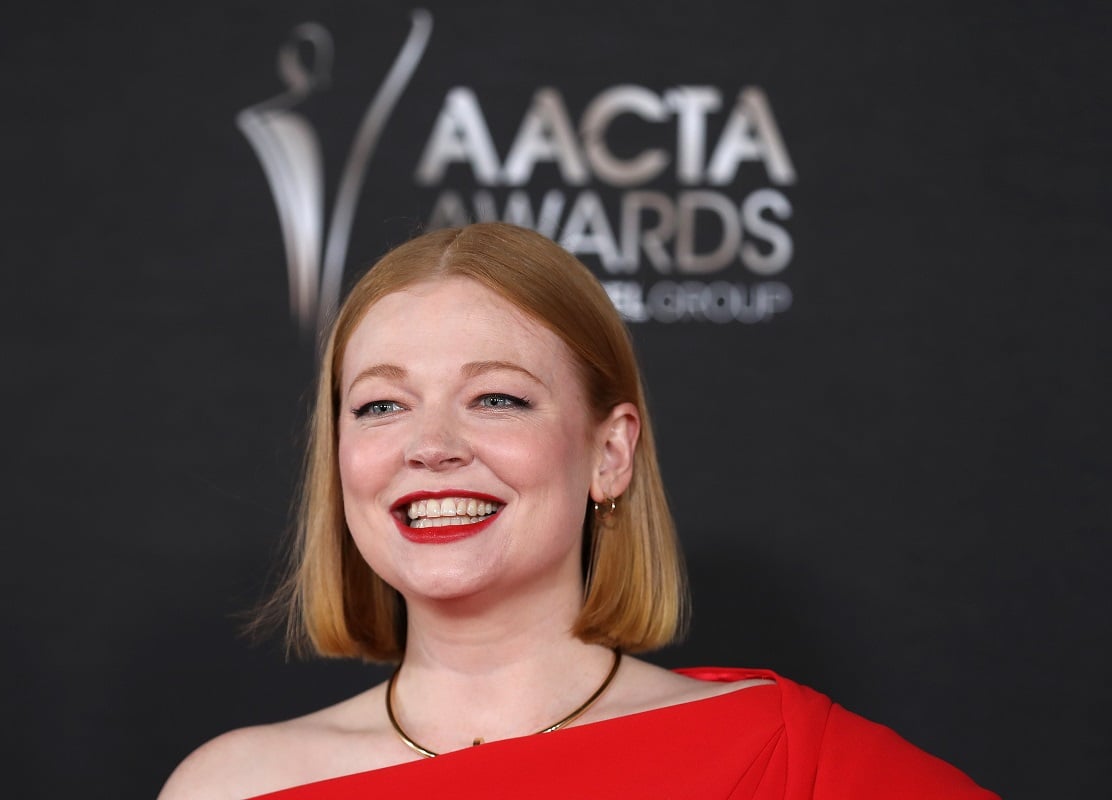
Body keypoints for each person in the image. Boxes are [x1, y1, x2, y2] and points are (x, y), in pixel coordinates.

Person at [159, 222, 999, 799]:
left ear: (610, 452)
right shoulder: (235, 786)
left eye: (496, 398)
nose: (431, 445)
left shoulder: (780, 754)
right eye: (381, 406)